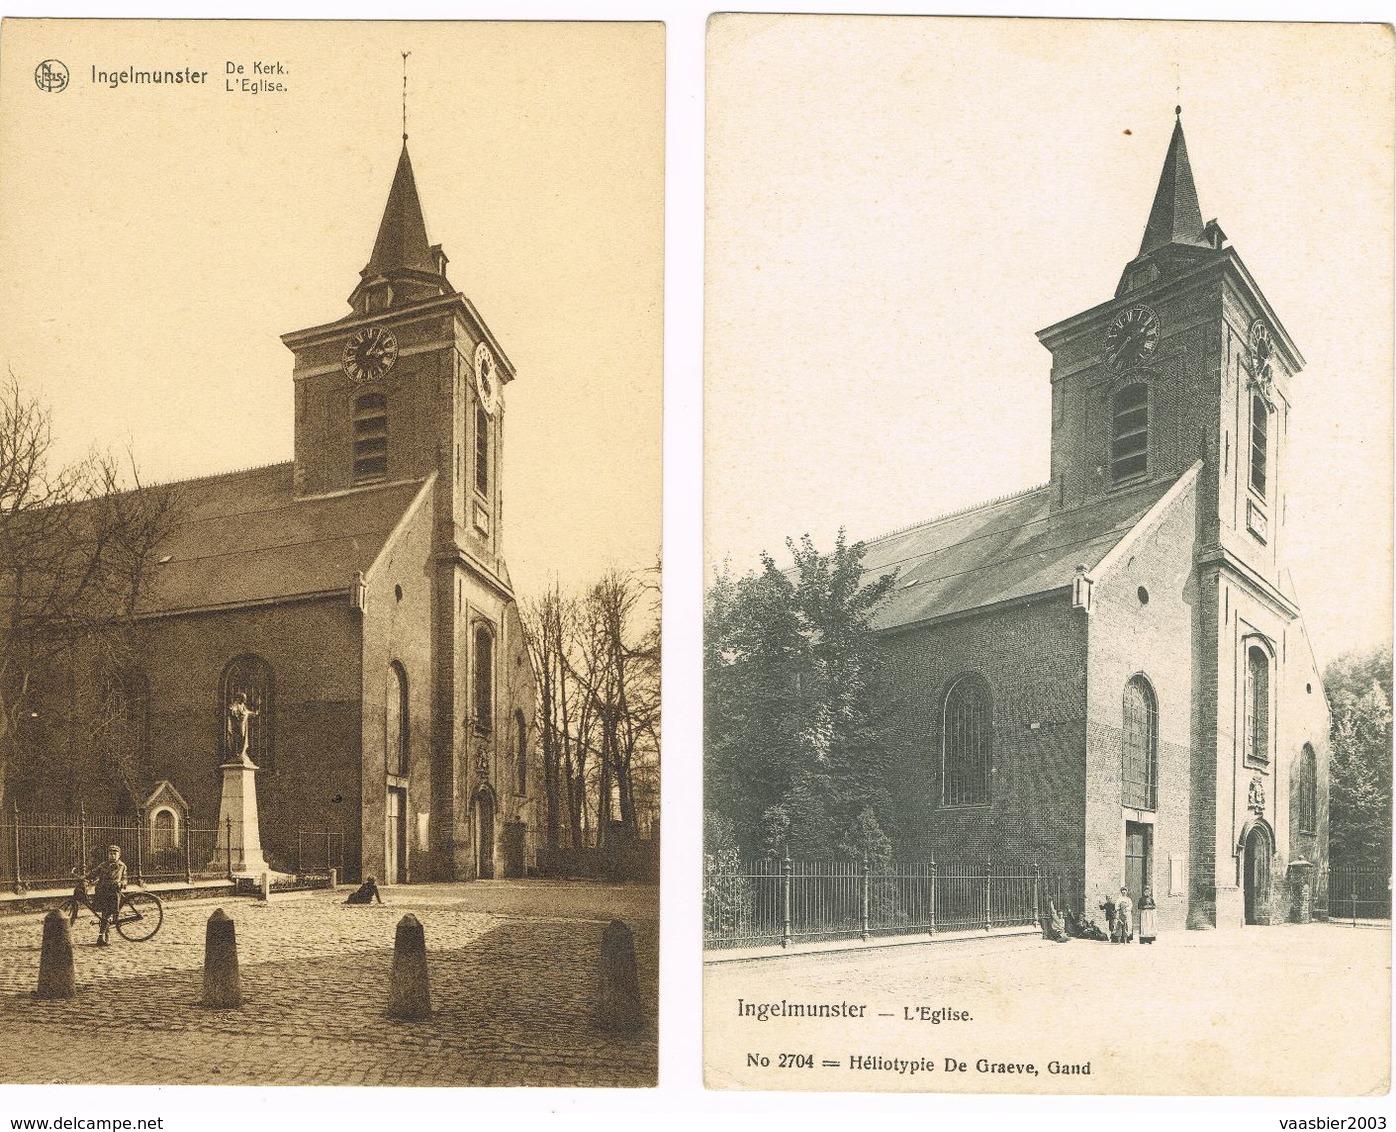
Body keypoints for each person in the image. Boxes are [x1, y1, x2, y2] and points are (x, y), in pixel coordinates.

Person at [86, 844, 127, 946]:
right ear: (108, 855)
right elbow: (93, 873)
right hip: (102, 891)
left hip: (113, 892)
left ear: (119, 855)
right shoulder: (103, 865)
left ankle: (102, 936)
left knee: (107, 914)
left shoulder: (122, 866)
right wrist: (85, 877)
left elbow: (125, 879)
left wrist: (121, 884)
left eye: (115, 854)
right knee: (104, 914)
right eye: (110, 854)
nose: (112, 856)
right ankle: (104, 935)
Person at [227, 692, 260, 762]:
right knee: (238, 738)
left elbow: (248, 713)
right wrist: (232, 709)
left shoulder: (243, 707)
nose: (245, 700)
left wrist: (255, 711)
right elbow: (233, 709)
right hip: (237, 726)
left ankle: (242, 753)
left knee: (243, 738)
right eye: (243, 698)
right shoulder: (236, 705)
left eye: (245, 698)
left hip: (243, 726)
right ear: (240, 698)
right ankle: (237, 753)